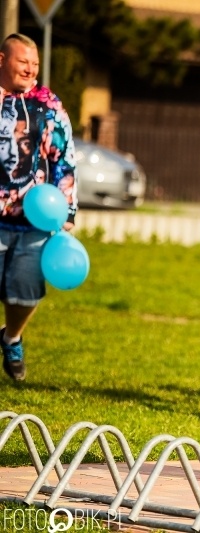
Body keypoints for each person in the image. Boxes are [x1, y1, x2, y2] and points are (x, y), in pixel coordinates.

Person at [0, 33, 77, 382]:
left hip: (35, 218)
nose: (30, 69)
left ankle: (11, 338)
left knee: (26, 293)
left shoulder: (47, 104)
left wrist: (68, 209)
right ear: (2, 60)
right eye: (23, 62)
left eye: (35, 64)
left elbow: (64, 157)